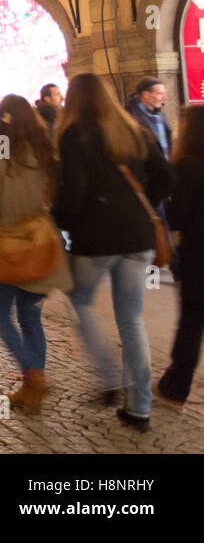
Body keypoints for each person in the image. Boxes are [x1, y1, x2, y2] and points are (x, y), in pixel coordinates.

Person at [54, 72, 175, 431]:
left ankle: (108, 377)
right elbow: (168, 178)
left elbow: (72, 193)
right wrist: (140, 206)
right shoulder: (136, 130)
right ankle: (139, 407)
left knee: (79, 299)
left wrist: (57, 220)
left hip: (96, 240)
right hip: (138, 239)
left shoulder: (76, 134)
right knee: (131, 318)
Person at [0, 94, 72, 414]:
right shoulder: (45, 153)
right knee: (30, 317)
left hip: (11, 250)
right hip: (41, 246)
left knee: (0, 315)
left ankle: (33, 377)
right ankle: (31, 389)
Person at [157, 105, 204, 407]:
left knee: (192, 321)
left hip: (198, 255)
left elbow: (177, 217)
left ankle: (176, 387)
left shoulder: (187, 165)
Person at [126, 76, 173, 161]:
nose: (164, 98)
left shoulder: (160, 116)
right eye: (159, 93)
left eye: (164, 93)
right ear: (146, 95)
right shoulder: (130, 117)